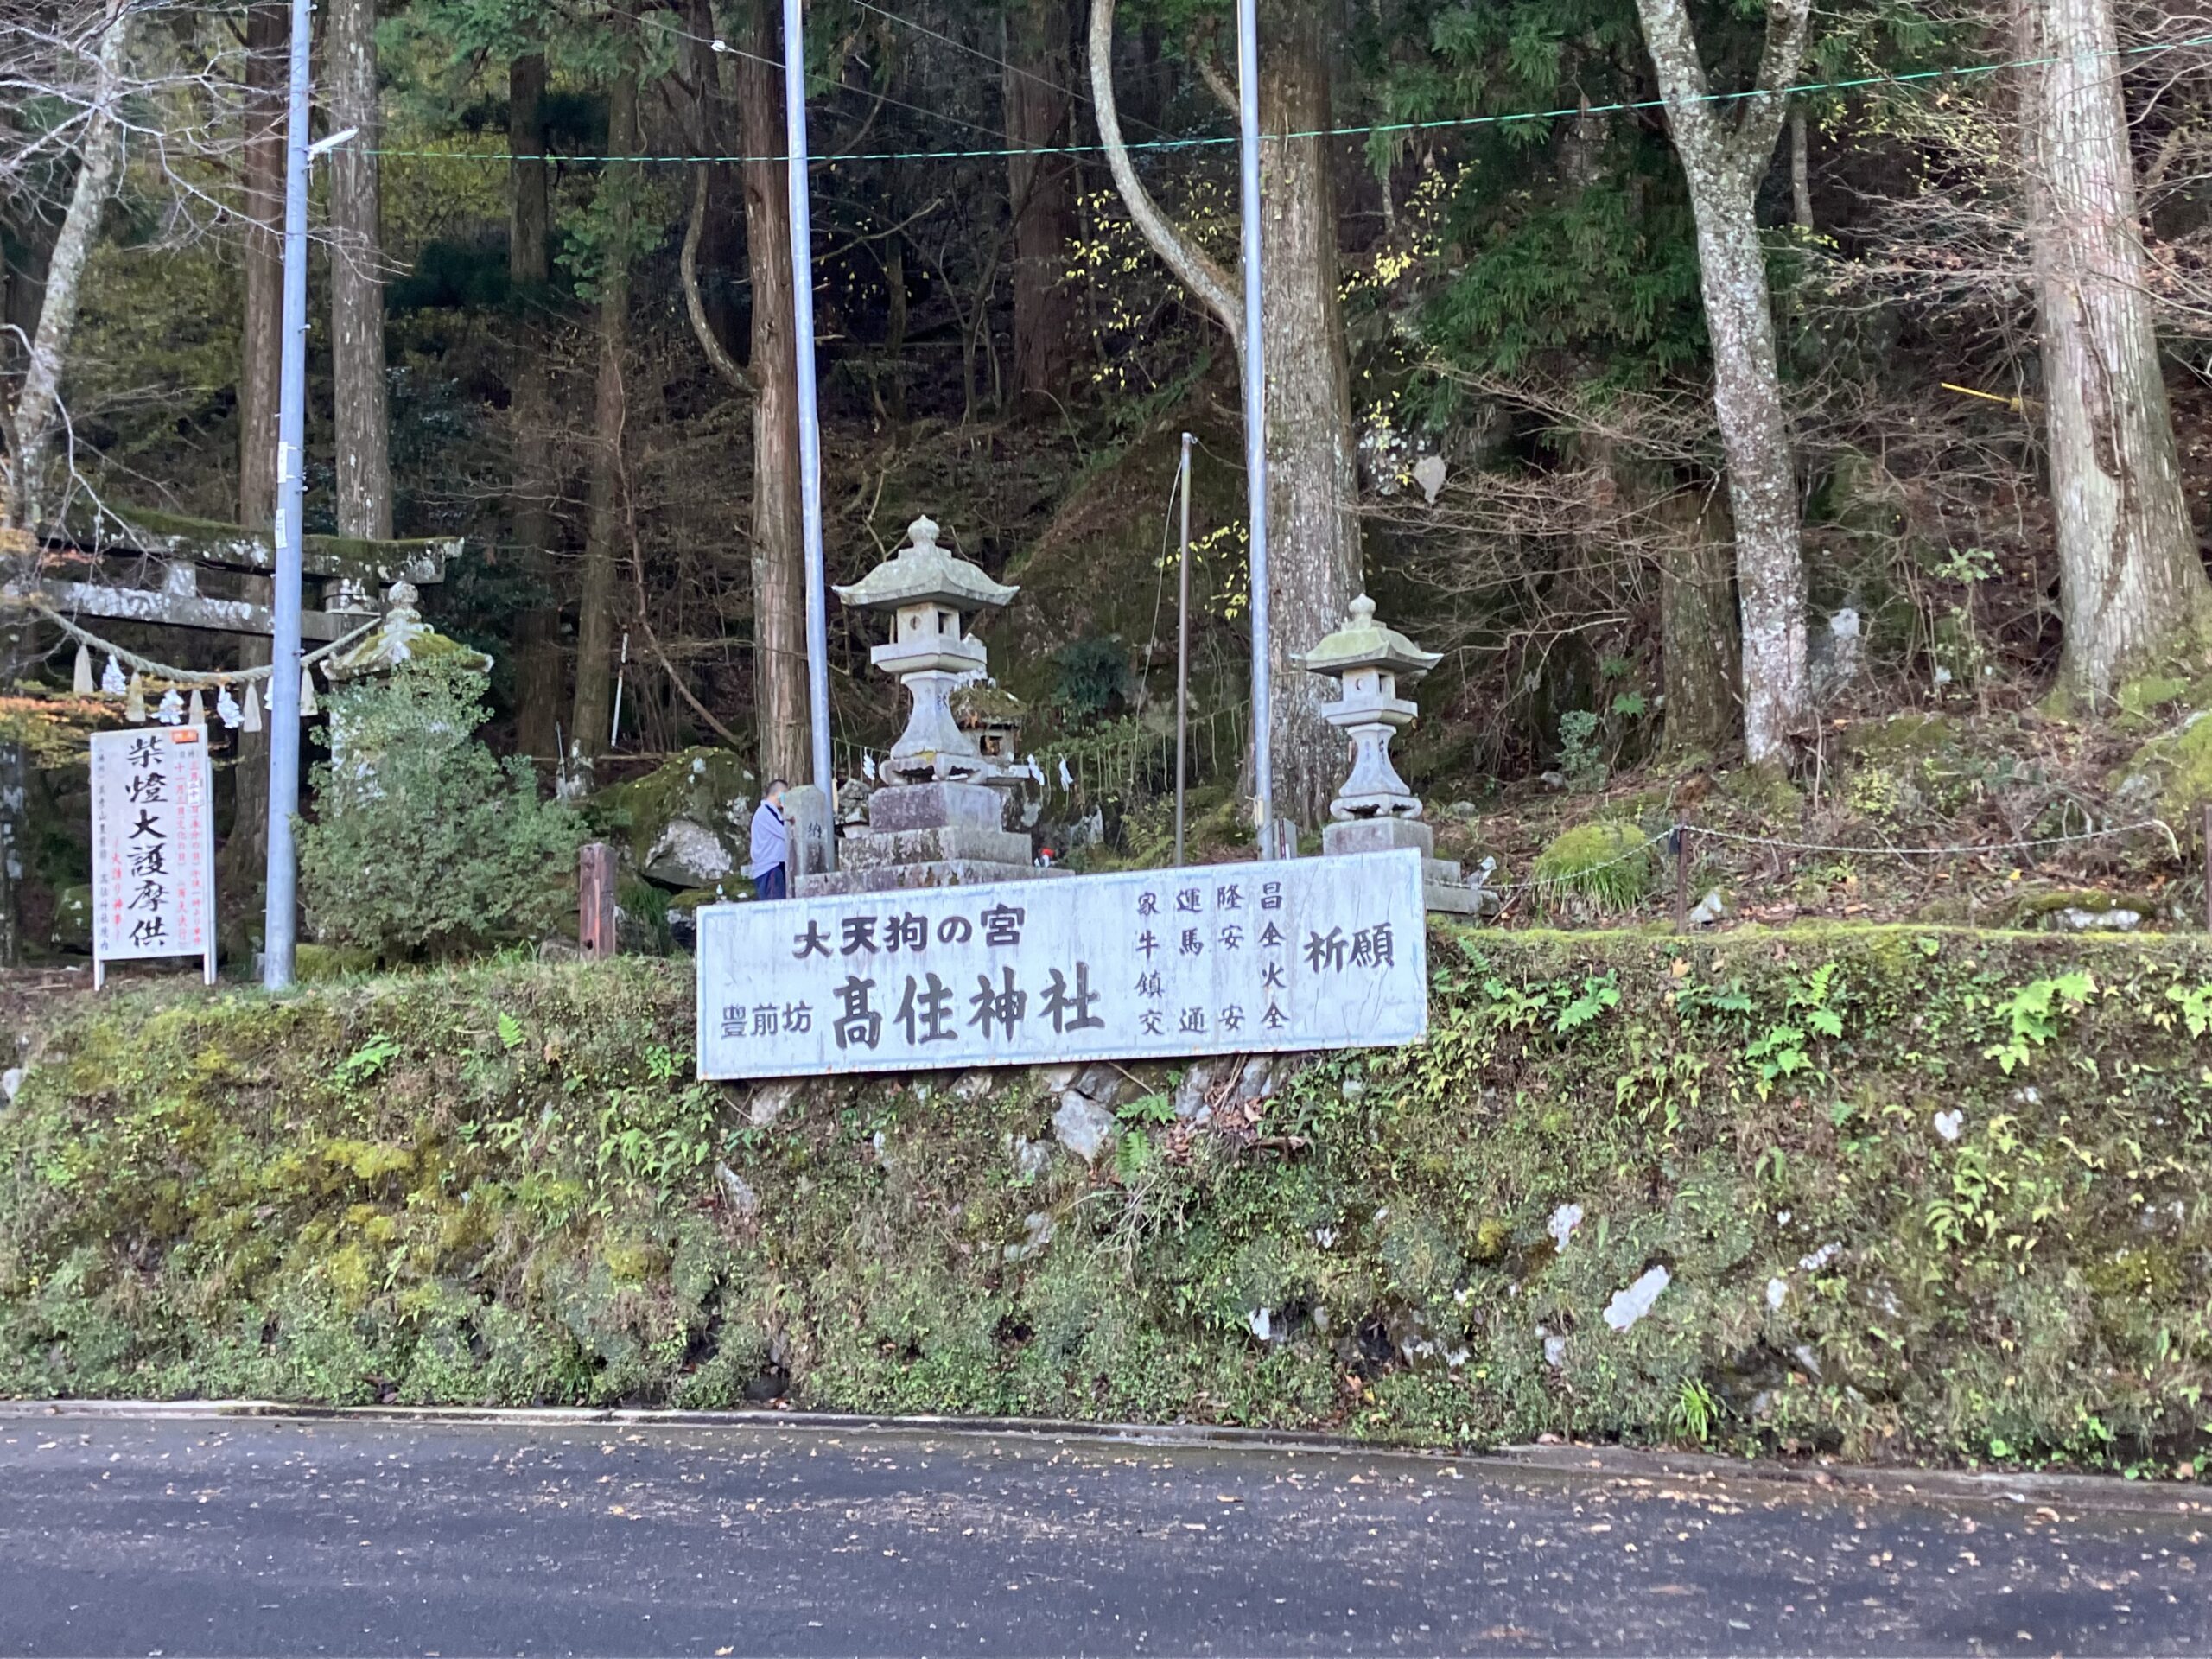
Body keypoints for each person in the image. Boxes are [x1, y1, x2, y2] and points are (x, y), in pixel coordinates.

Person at [750, 779, 789, 901]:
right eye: (785, 794)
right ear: (779, 794)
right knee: (776, 908)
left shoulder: (769, 812)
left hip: (771, 868)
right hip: (770, 869)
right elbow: (786, 832)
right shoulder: (766, 811)